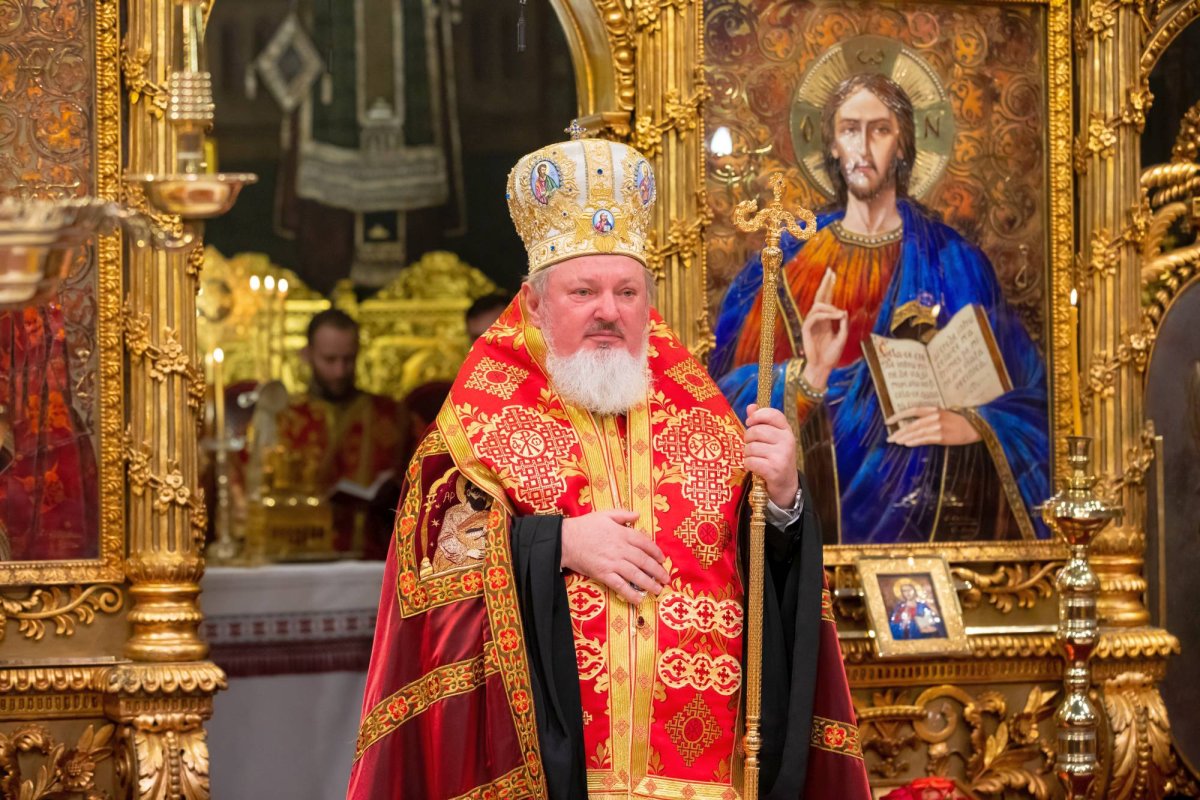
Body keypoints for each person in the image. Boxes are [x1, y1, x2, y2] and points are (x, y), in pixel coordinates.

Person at [347, 135, 869, 799]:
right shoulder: (483, 414)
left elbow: (767, 575)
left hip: (699, 779)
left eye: (627, 292)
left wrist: (788, 497)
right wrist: (555, 543)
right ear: (535, 303)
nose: (609, 312)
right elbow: (429, 567)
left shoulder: (701, 410)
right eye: (583, 290)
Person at [711, 72, 1050, 545]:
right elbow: (719, 406)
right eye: (850, 129)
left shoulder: (955, 261)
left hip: (932, 521)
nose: (863, 147)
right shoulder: (785, 260)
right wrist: (809, 378)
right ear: (831, 143)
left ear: (904, 144)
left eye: (880, 129)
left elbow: (1033, 401)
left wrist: (974, 424)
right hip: (814, 526)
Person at [272, 309, 409, 557]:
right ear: (307, 354)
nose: (340, 371)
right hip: (299, 552)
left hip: (376, 556)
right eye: (330, 360)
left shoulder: (393, 415)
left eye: (348, 359)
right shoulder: (283, 419)